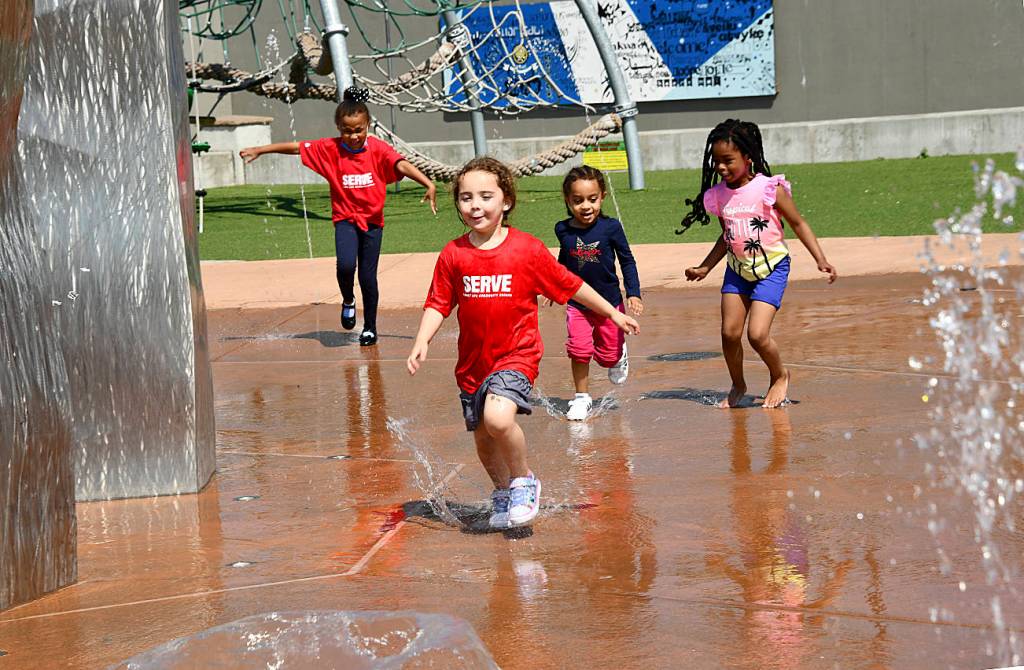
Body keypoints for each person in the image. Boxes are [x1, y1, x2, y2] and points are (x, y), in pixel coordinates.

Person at [406, 157, 639, 529]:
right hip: (472, 365)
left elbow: (570, 286)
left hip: (517, 356)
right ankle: (502, 492)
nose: (475, 205)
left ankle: (523, 481)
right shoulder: (454, 254)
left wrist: (612, 313)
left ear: (506, 201)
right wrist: (422, 339)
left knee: (499, 420)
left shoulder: (526, 250)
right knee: (483, 438)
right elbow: (438, 302)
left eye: (485, 196)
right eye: (466, 198)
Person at [239, 86, 437, 347]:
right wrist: (260, 150)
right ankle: (348, 299)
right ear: (338, 128)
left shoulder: (377, 148)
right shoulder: (330, 149)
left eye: (359, 129)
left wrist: (428, 183)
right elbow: (296, 147)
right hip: (345, 219)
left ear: (367, 126)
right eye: (347, 130)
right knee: (345, 266)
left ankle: (370, 327)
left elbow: (400, 164)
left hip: (372, 223)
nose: (353, 136)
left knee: (368, 277)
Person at [679, 119, 837, 409]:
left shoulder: (769, 188)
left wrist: (820, 258)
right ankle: (738, 383)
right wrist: (705, 267)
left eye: (728, 160)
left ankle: (779, 375)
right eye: (717, 162)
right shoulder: (718, 195)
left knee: (757, 334)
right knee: (729, 333)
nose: (721, 168)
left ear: (747, 157)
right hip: (737, 271)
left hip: (772, 269)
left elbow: (798, 223)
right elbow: (727, 236)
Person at [552, 166, 642, 421]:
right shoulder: (563, 229)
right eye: (578, 200)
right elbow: (564, 258)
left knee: (607, 357)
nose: (586, 206)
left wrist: (633, 292)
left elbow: (627, 260)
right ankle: (581, 398)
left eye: (592, 199)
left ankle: (618, 354)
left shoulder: (611, 228)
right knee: (579, 349)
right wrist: (554, 284)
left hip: (609, 304)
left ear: (602, 196)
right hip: (577, 303)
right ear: (568, 200)